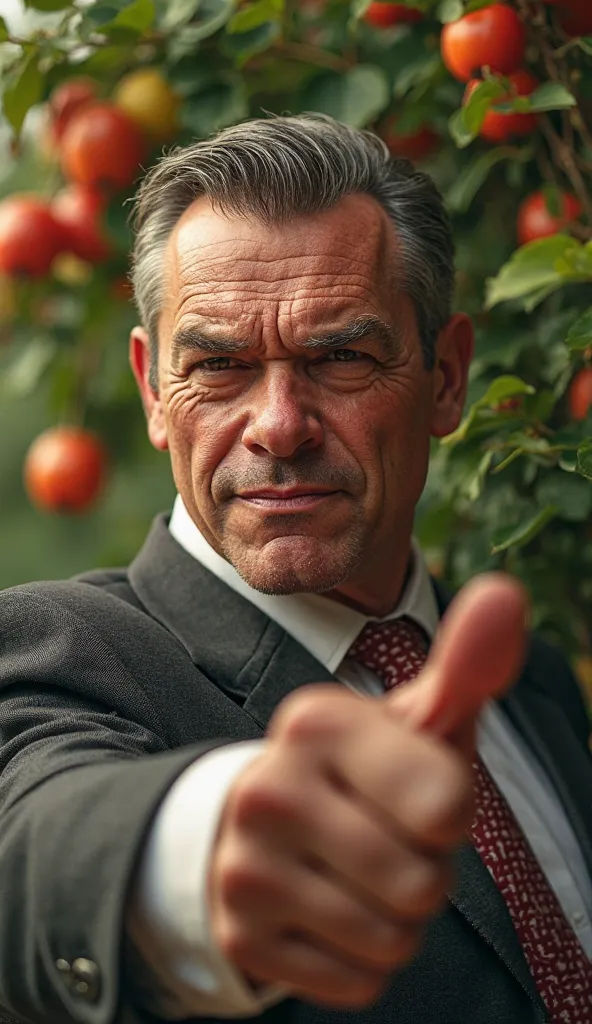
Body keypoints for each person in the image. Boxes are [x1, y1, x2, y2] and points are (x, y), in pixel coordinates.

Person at [0, 115, 590, 1024]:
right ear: (156, 390)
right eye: (220, 365)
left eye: (341, 357)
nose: (278, 424)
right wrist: (191, 860)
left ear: (446, 377)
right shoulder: (59, 653)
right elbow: (33, 839)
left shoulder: (536, 683)